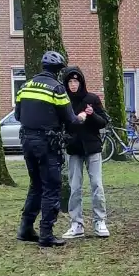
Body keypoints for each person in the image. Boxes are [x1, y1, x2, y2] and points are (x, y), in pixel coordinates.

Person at [16, 50, 88, 247]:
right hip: (47, 144)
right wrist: (80, 117)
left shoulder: (25, 86)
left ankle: (25, 228)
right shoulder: (56, 89)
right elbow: (71, 120)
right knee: (51, 187)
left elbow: (17, 116)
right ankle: (46, 234)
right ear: (58, 70)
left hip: (26, 142)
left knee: (35, 185)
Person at [61, 67, 112, 239]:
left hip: (92, 148)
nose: (73, 84)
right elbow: (62, 124)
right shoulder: (64, 101)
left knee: (97, 184)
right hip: (73, 149)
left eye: (76, 81)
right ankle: (76, 223)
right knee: (75, 187)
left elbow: (103, 122)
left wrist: (92, 115)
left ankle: (100, 221)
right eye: (70, 82)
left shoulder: (92, 99)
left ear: (81, 82)